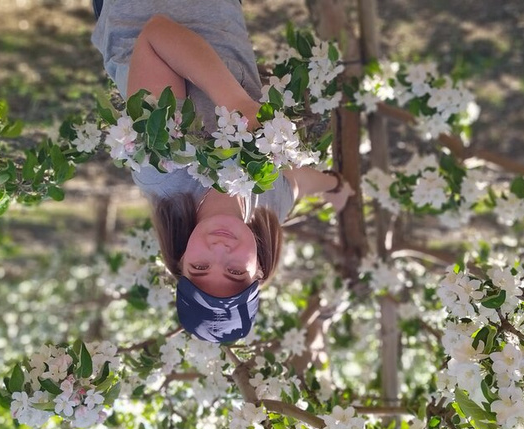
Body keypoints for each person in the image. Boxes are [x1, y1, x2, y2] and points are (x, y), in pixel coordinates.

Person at [92, 0, 353, 343]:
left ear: (181, 259)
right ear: (258, 270)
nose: (218, 250)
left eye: (199, 268)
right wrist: (336, 186)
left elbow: (156, 34)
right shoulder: (265, 209)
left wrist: (238, 104)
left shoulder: (164, 169)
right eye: (234, 272)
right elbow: (297, 184)